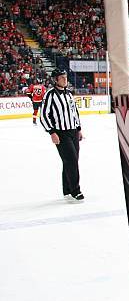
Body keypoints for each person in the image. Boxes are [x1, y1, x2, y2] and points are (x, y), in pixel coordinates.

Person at [40, 69, 84, 203]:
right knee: (71, 160)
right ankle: (76, 190)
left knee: (71, 160)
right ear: (55, 79)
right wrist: (52, 132)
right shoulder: (50, 95)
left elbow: (74, 112)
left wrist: (79, 129)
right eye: (62, 78)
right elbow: (43, 115)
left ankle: (67, 189)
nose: (65, 79)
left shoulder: (69, 94)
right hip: (61, 133)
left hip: (73, 132)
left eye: (65, 77)